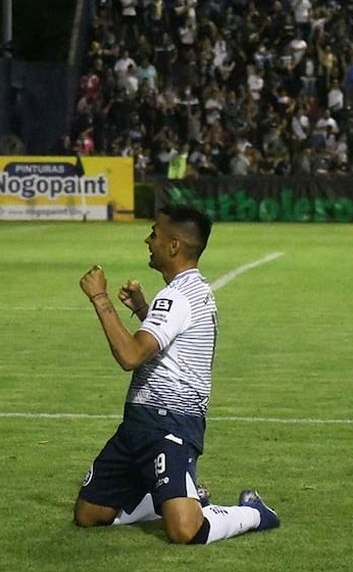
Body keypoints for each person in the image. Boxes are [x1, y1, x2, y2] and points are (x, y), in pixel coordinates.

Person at [75, 205, 280, 544]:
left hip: (169, 425)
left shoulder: (177, 297)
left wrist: (100, 298)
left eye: (154, 233)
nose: (147, 239)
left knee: (184, 530)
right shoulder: (191, 290)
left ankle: (254, 512)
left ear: (173, 246)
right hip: (138, 424)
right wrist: (143, 310)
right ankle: (169, 496)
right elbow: (175, 350)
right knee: (89, 514)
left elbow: (130, 356)